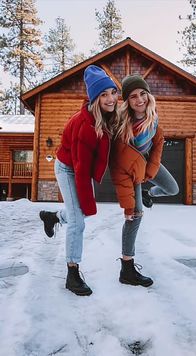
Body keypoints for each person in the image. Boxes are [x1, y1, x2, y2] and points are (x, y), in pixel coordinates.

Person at [39, 65, 118, 296]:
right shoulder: (86, 126)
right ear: (94, 99)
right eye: (103, 95)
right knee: (78, 221)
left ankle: (52, 217)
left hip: (78, 167)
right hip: (67, 168)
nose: (111, 98)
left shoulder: (105, 115)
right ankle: (72, 274)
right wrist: (89, 204)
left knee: (77, 213)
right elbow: (81, 171)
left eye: (112, 91)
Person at [110, 74, 179, 287]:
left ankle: (150, 194)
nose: (140, 100)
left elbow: (158, 141)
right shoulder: (121, 126)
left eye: (142, 94)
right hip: (130, 169)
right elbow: (120, 167)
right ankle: (127, 268)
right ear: (127, 102)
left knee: (172, 188)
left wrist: (152, 167)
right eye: (133, 97)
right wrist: (129, 206)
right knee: (135, 216)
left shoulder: (153, 117)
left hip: (147, 162)